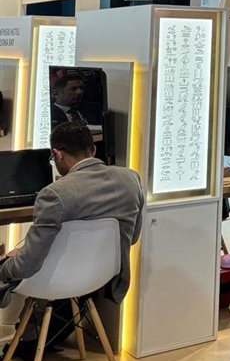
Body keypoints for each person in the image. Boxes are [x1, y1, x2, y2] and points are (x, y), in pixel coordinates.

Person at [0, 123, 143, 303]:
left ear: (58, 155)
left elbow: (27, 265)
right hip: (104, 278)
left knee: (12, 264)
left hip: (52, 281)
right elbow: (133, 237)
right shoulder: (131, 179)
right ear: (93, 149)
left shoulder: (53, 194)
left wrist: (4, 268)